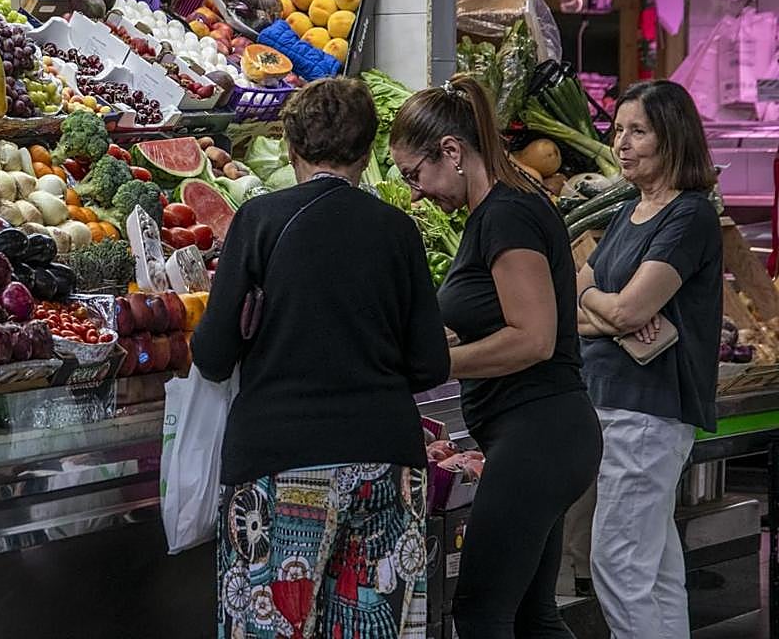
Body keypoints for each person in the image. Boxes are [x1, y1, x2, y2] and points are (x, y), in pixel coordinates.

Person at [192, 78, 451, 639]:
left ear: (291, 148)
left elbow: (212, 355)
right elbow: (431, 365)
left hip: (278, 467)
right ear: (368, 151)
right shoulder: (399, 232)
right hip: (385, 466)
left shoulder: (257, 222)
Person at [389, 77, 602, 639]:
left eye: (415, 174)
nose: (415, 192)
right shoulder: (501, 210)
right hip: (545, 435)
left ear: (453, 152)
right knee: (534, 618)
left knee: (482, 613)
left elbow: (533, 337)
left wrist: (436, 360)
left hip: (540, 433)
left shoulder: (506, 214)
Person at [576, 80, 721, 639]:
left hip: (648, 411)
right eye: (619, 130)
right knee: (655, 568)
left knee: (616, 563)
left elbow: (631, 309)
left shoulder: (688, 216)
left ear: (673, 139)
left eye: (639, 131)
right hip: (612, 402)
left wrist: (604, 307)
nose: (622, 144)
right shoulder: (629, 212)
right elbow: (591, 305)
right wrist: (604, 310)